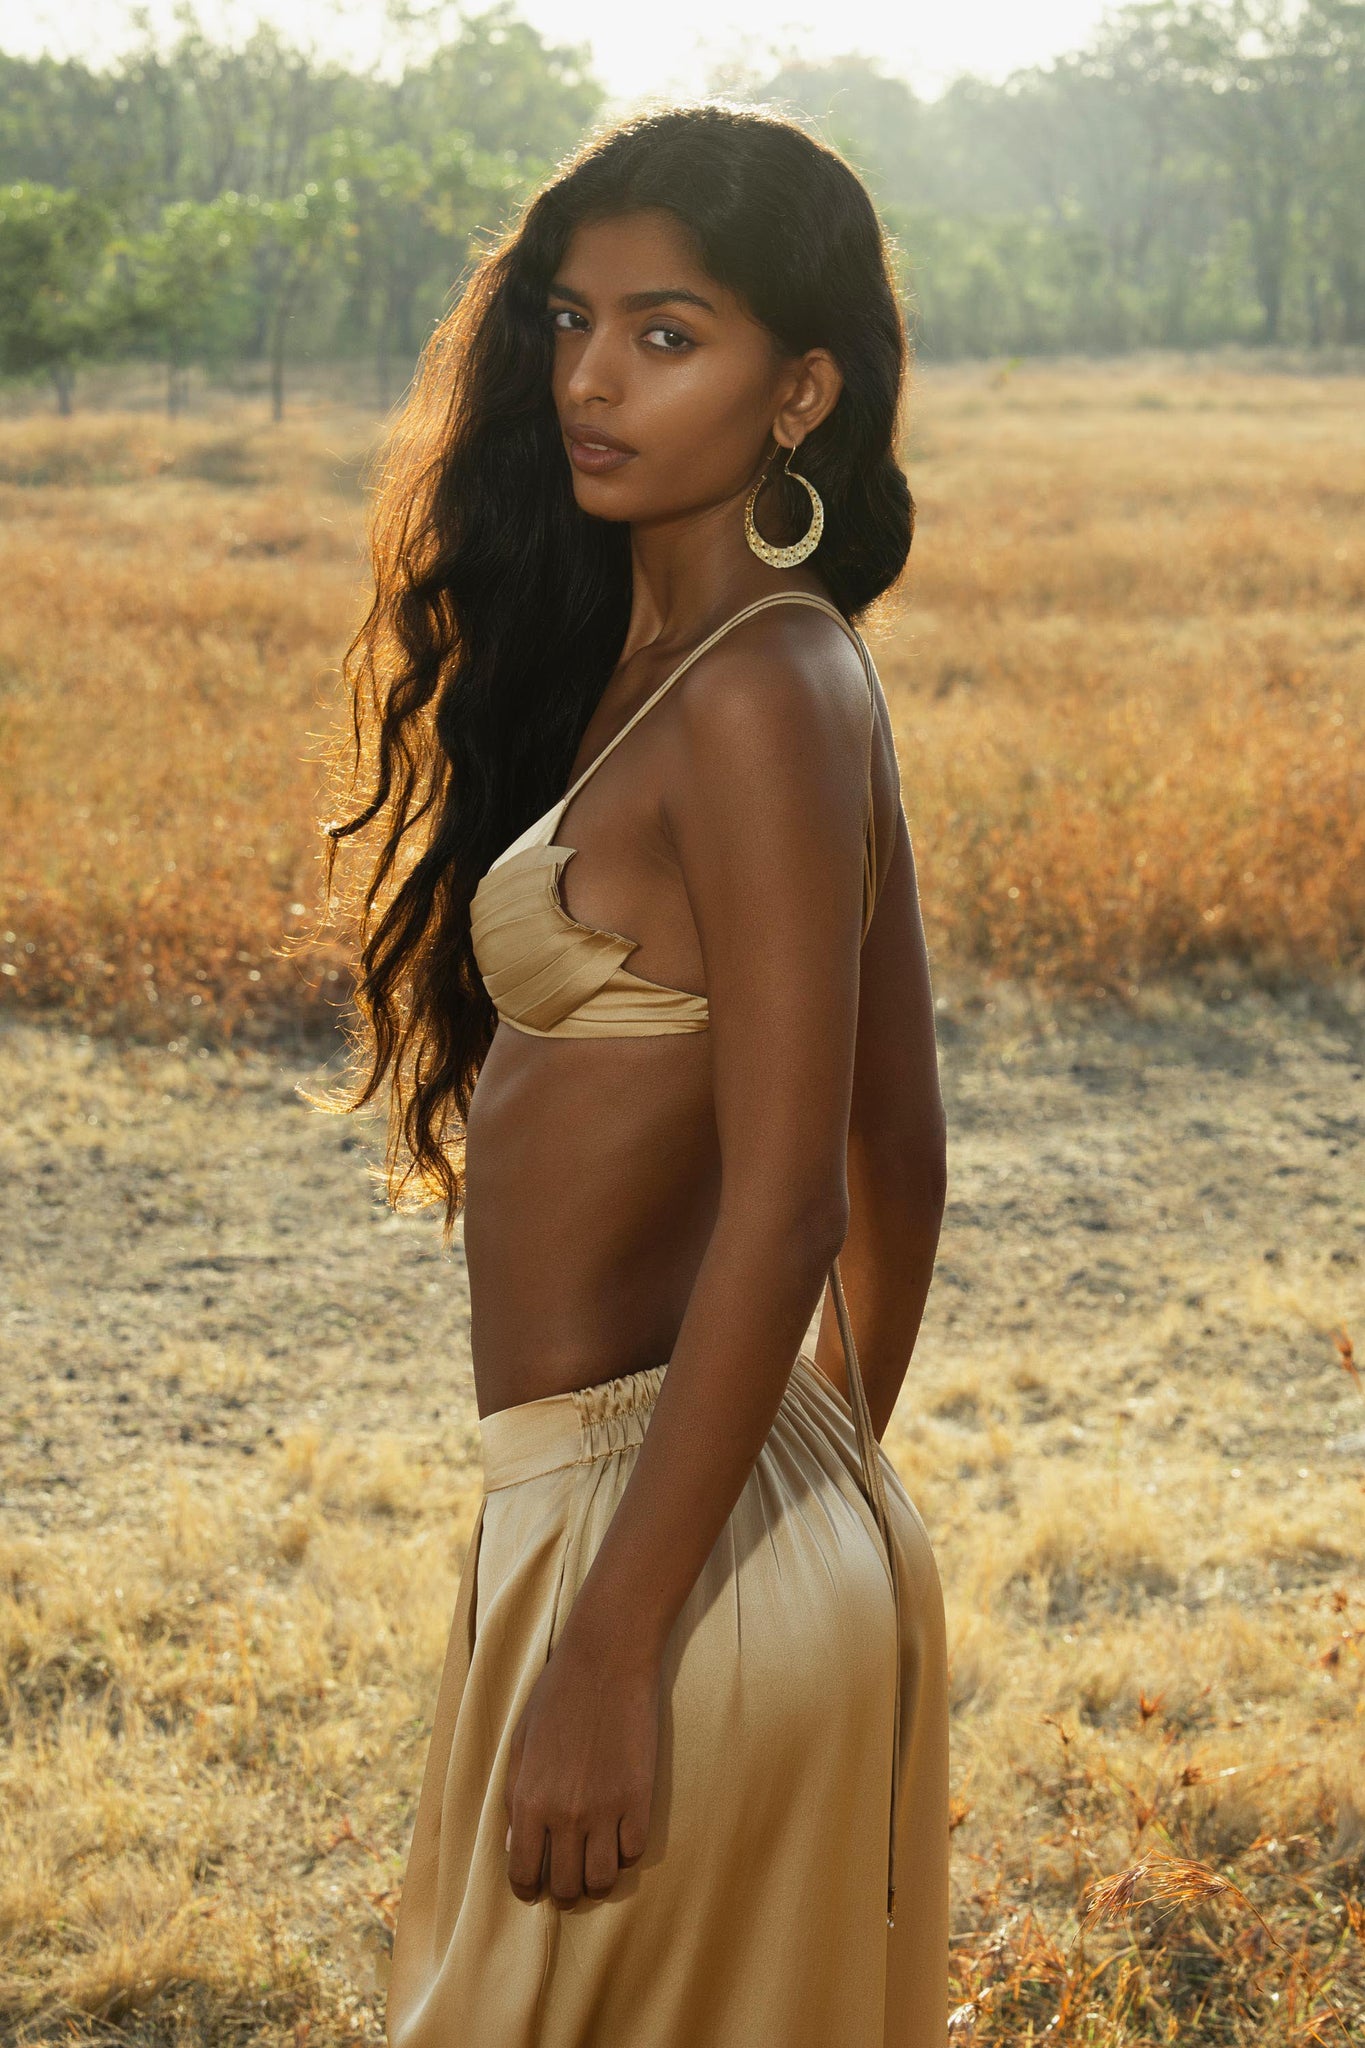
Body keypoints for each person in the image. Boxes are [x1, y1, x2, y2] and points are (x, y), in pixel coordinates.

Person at [321, 101, 949, 2048]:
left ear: (798, 392)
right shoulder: (706, 665)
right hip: (667, 1515)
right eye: (571, 322)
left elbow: (802, 1193)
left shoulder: (763, 688)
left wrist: (632, 1626)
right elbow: (902, 1145)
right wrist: (804, 1483)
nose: (590, 378)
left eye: (666, 335)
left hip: (646, 1549)